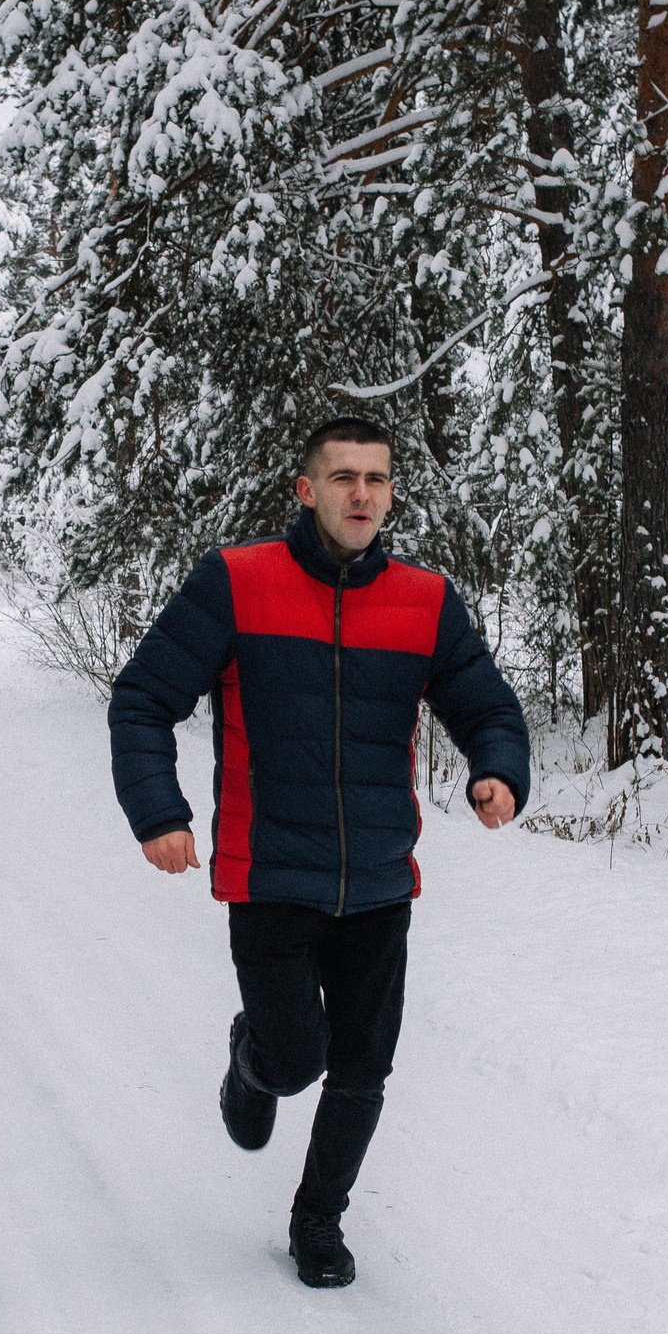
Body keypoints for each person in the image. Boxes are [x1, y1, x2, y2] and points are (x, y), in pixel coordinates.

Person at [107, 415, 532, 1288]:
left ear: (391, 493)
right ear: (307, 490)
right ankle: (254, 1058)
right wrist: (159, 812)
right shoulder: (237, 581)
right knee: (299, 1056)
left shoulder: (425, 600)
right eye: (343, 477)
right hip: (269, 874)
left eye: (376, 478)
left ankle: (317, 1220)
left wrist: (497, 768)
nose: (361, 494)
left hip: (379, 879)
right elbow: (143, 698)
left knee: (364, 1068)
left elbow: (487, 704)